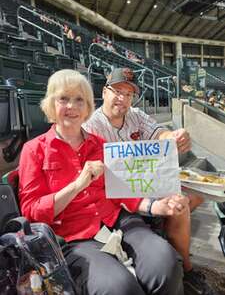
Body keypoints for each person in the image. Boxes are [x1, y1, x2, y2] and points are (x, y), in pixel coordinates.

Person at [18, 69, 184, 295]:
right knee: (118, 287)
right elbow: (31, 212)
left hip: (118, 221)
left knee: (165, 262)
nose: (72, 106)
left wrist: (155, 206)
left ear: (87, 106)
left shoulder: (100, 144)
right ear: (50, 104)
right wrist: (78, 184)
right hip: (74, 237)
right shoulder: (33, 149)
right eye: (63, 99)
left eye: (79, 100)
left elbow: (123, 190)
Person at [84, 67, 216, 295]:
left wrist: (174, 137)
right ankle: (177, 258)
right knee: (180, 208)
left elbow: (160, 134)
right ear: (104, 92)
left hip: (144, 186)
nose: (122, 98)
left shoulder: (135, 115)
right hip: (114, 199)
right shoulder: (91, 126)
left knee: (184, 201)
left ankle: (185, 267)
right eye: (117, 91)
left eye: (128, 93)